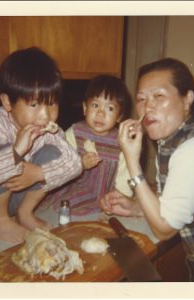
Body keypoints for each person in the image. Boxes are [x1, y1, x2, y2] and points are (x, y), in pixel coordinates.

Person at [100, 58, 194, 282]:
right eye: (141, 99)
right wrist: (137, 207)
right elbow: (177, 200)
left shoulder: (193, 149)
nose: (147, 107)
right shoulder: (175, 137)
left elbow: (164, 229)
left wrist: (132, 161)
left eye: (159, 96)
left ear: (187, 99)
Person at [0, 47, 82, 243]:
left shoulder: (47, 128)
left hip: (16, 197)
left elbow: (75, 163)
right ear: (8, 102)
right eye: (34, 105)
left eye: (52, 103)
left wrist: (38, 173)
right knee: (4, 150)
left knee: (54, 151)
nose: (45, 115)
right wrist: (16, 152)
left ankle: (24, 213)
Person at [41, 75, 134, 215]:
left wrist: (120, 196)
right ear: (85, 108)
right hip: (74, 184)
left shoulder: (121, 141)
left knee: (110, 204)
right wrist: (79, 162)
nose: (100, 113)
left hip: (104, 192)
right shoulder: (76, 131)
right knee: (60, 200)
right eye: (95, 105)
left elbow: (125, 173)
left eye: (109, 108)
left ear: (120, 116)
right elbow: (60, 157)